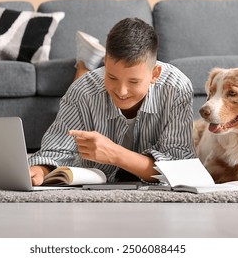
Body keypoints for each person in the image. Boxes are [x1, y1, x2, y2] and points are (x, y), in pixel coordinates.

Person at [28, 17, 196, 185]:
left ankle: (84, 62)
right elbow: (54, 152)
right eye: (112, 77)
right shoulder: (82, 92)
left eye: (133, 82)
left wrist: (115, 154)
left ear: (155, 74)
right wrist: (38, 170)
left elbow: (181, 168)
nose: (122, 91)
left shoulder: (176, 88)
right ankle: (84, 64)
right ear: (105, 63)